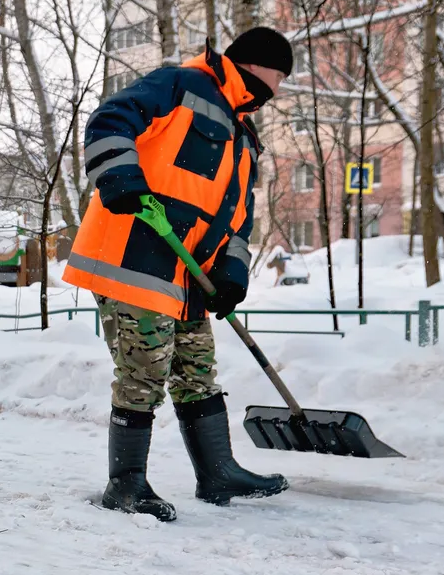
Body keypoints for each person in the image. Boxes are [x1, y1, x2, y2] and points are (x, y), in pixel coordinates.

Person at [63, 28, 295, 523]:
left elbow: (238, 218)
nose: (280, 87)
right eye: (281, 75)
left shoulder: (243, 134)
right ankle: (125, 486)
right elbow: (110, 120)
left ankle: (218, 471)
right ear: (260, 66)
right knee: (143, 370)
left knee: (196, 368)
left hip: (188, 275)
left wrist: (232, 274)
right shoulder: (181, 85)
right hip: (136, 256)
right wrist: (119, 175)